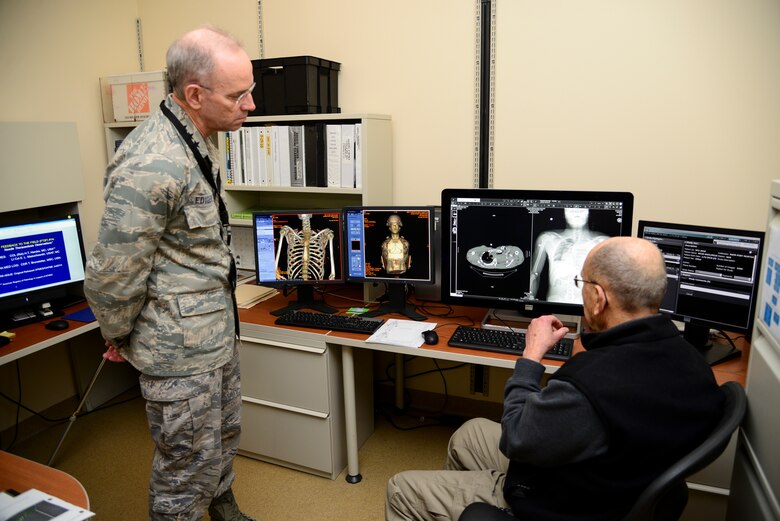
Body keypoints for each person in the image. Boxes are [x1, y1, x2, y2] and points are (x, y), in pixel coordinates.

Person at [386, 237, 725, 521]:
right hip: (607, 483)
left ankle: (491, 507)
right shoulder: (691, 362)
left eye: (583, 284)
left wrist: (531, 355)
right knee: (469, 433)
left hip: (556, 503)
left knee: (400, 488)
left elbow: (517, 436)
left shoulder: (591, 386)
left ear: (598, 298)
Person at [84, 26, 258, 521]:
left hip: (213, 335)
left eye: (250, 90)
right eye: (238, 94)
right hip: (177, 350)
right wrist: (118, 335)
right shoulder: (152, 161)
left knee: (222, 440)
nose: (250, 105)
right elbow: (111, 274)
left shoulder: (198, 137)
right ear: (195, 95)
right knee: (185, 467)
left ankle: (223, 509)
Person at [526, 207, 607, 304]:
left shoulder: (603, 242)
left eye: (581, 209)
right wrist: (528, 301)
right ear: (564, 212)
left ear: (589, 212)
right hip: (556, 301)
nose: (576, 212)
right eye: (571, 209)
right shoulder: (547, 239)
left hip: (587, 306)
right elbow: (534, 274)